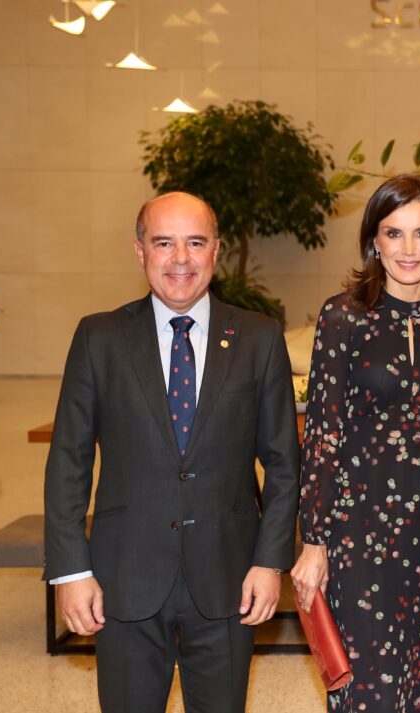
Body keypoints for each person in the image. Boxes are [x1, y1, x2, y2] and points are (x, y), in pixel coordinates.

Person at [43, 191, 300, 713]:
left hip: (229, 578)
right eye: (164, 243)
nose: (181, 258)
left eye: (195, 243)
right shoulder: (99, 338)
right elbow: (68, 461)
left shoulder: (259, 338)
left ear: (216, 251)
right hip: (122, 578)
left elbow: (283, 464)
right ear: (140, 251)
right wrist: (71, 572)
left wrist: (270, 562)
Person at [291, 174, 420, 712]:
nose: (408, 248)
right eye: (393, 233)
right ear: (374, 240)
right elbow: (323, 435)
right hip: (359, 530)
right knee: (369, 686)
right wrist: (314, 541)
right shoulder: (343, 317)